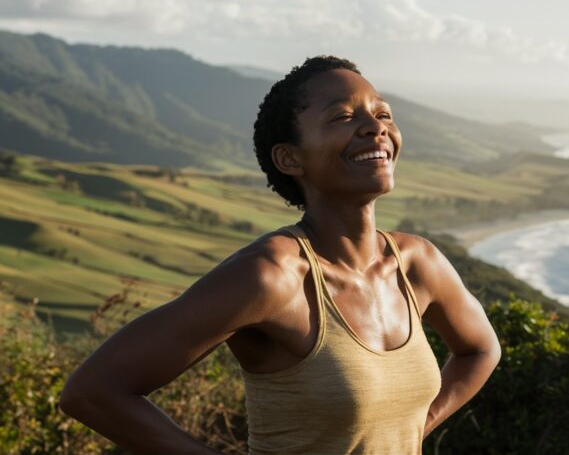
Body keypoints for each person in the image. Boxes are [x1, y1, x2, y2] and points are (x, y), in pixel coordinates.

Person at [60, 55, 502, 453]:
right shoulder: (270, 277)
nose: (375, 127)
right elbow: (94, 391)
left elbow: (481, 350)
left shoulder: (417, 263)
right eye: (343, 117)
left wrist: (413, 428)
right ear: (291, 159)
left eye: (383, 113)